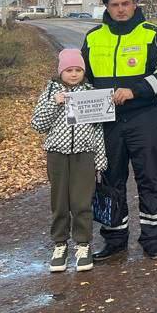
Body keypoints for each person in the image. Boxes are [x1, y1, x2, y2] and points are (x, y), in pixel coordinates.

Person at [82, 0, 157, 261]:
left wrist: (135, 91)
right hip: (106, 122)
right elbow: (82, 78)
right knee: (110, 180)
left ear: (135, 3)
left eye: (126, 3)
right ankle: (114, 239)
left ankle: (151, 240)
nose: (121, 9)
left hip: (143, 117)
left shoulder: (152, 34)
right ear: (106, 7)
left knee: (149, 178)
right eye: (115, 4)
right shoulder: (93, 37)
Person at [31, 48, 107, 272]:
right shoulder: (50, 92)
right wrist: (56, 103)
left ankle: (83, 245)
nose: (73, 74)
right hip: (57, 155)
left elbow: (98, 130)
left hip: (85, 155)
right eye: (69, 70)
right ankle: (60, 244)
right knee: (60, 202)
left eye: (78, 70)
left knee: (82, 202)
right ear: (60, 71)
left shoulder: (91, 93)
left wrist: (100, 159)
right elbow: (38, 124)